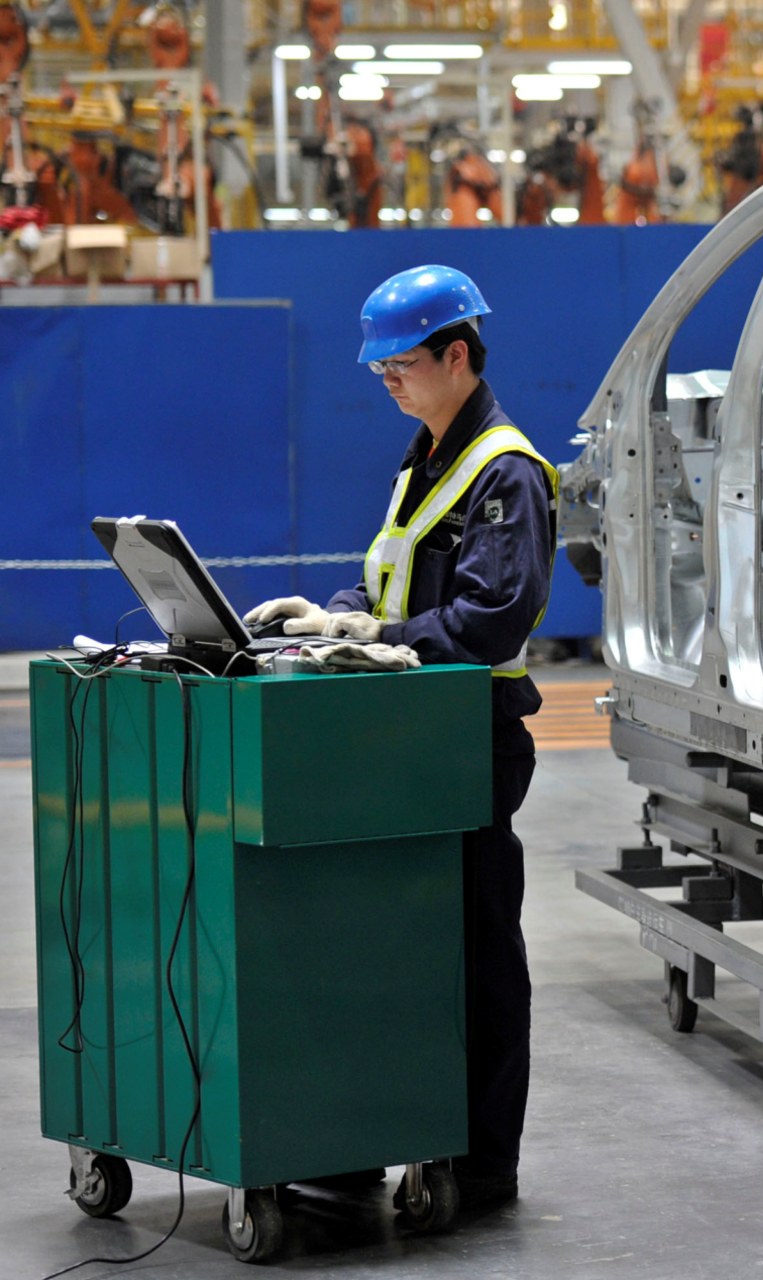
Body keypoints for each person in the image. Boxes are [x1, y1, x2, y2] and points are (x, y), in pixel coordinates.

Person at [245, 264, 556, 1215]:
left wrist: (374, 636)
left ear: (457, 355)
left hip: (466, 749)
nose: (389, 383)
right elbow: (395, 590)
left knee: (475, 960)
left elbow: (489, 622)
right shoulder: (424, 460)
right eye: (378, 371)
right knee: (389, 949)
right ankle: (372, 1136)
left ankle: (481, 1165)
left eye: (403, 366)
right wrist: (327, 614)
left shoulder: (504, 471)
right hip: (402, 747)